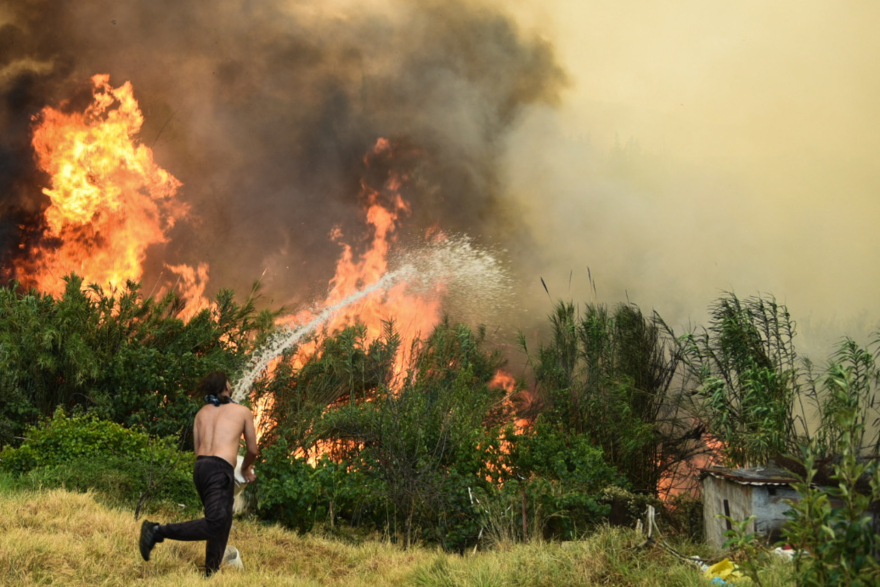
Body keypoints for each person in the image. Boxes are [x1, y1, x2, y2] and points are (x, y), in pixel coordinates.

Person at [139, 371, 258, 576]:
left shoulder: (201, 413)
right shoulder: (242, 411)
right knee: (215, 523)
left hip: (201, 469)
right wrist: (246, 468)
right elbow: (253, 450)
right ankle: (157, 531)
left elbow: (197, 450)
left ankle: (210, 573)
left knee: (222, 521)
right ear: (226, 387)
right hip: (220, 471)